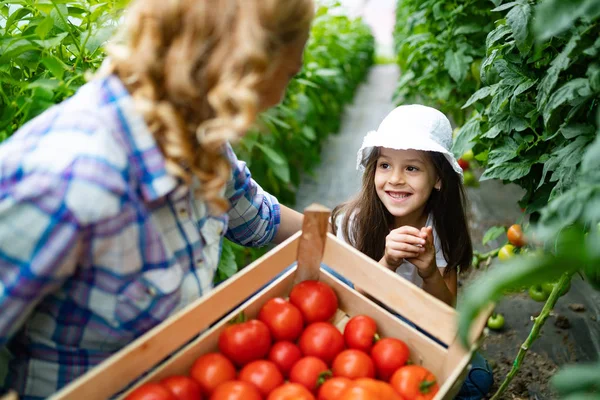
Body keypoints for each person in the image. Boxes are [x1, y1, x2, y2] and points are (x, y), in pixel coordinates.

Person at [0, 0, 314, 398]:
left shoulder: (197, 131)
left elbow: (254, 215)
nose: (277, 98)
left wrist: (347, 235)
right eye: (287, 75)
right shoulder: (71, 180)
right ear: (245, 66)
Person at [331, 104, 494, 399]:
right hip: (361, 323)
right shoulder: (354, 221)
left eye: (412, 168)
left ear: (439, 179)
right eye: (385, 165)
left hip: (414, 323)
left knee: (477, 377)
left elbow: (445, 314)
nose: (395, 178)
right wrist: (387, 263)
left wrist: (430, 272)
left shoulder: (440, 230)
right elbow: (353, 301)